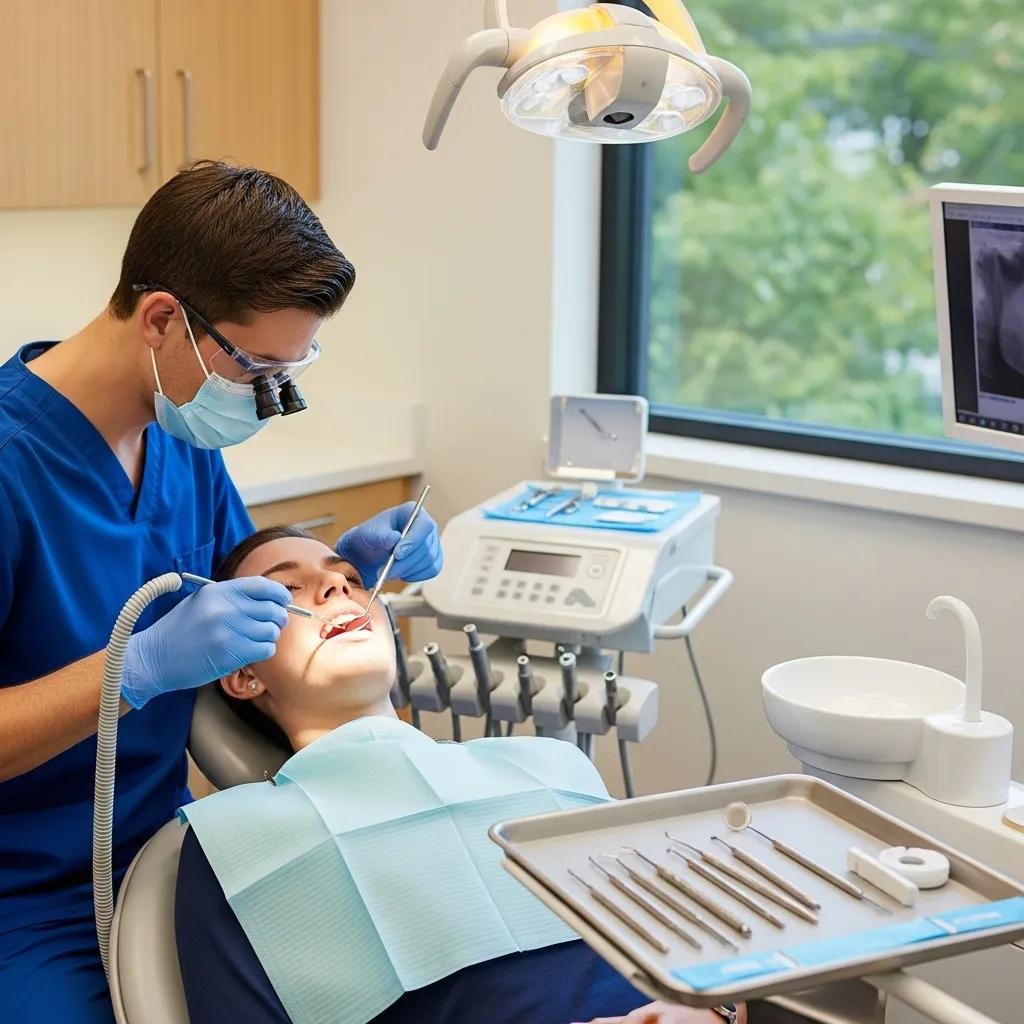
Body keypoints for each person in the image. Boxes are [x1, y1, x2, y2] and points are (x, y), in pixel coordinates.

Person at [0, 162, 443, 1024]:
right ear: (163, 318)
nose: (269, 403)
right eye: (258, 371)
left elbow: (241, 584)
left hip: (177, 848)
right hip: (22, 898)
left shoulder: (180, 432)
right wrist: (135, 668)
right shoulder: (12, 467)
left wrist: (332, 569)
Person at [175, 526, 744, 1024]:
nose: (337, 588)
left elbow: (722, 955)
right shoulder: (234, 842)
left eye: (348, 577)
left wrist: (715, 1011)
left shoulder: (547, 764)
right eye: (286, 589)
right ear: (244, 675)